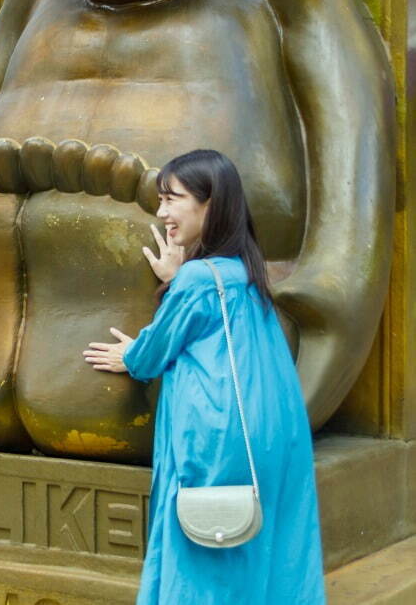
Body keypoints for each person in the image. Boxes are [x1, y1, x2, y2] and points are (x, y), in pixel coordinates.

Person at [84, 150, 324, 604]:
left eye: (172, 199)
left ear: (209, 205)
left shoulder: (198, 280)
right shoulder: (247, 274)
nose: (162, 213)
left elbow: (151, 356)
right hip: (277, 434)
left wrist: (131, 352)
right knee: (269, 559)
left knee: (203, 569)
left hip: (218, 442)